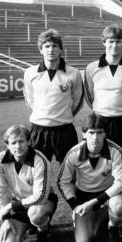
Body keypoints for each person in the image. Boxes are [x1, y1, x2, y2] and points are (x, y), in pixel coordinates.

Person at [84, 24, 122, 222]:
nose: (114, 46)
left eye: (118, 42)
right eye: (110, 41)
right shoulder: (92, 68)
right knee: (104, 168)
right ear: (104, 43)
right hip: (101, 124)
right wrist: (103, 113)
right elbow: (88, 96)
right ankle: (105, 209)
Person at [58, 114, 122, 242]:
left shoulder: (116, 151)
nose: (95, 137)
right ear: (84, 134)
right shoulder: (74, 153)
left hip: (107, 194)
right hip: (83, 195)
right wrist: (74, 206)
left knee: (118, 205)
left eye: (99, 132)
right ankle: (98, 215)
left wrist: (94, 202)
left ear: (105, 134)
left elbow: (120, 183)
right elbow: (63, 182)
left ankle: (112, 227)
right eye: (91, 132)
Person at [0, 125, 56, 242]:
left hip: (43, 202)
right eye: (13, 143)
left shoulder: (40, 160)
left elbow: (40, 196)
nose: (17, 146)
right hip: (18, 204)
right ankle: (27, 225)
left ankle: (43, 230)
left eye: (21, 141)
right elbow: (0, 190)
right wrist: (6, 219)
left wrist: (10, 207)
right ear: (7, 145)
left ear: (29, 142)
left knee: (35, 214)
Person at [23, 29, 83, 165]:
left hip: (65, 130)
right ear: (41, 50)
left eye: (55, 46)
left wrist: (63, 115)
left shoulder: (73, 73)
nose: (51, 50)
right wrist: (44, 115)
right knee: (37, 173)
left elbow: (78, 101)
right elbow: (30, 100)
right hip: (39, 131)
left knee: (70, 172)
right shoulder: (30, 73)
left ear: (61, 50)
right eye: (47, 46)